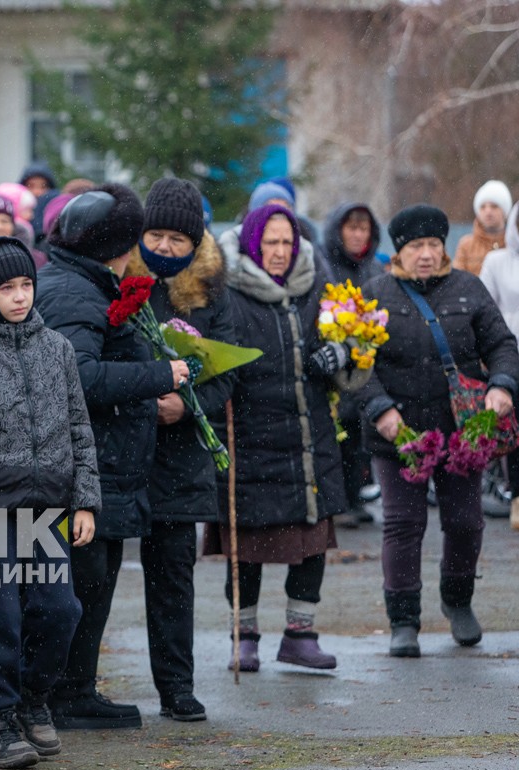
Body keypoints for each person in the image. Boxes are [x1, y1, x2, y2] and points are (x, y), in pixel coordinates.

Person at [0, 236, 99, 769]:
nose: (19, 296)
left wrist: (85, 501)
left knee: (60, 610)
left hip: (48, 510)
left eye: (26, 284)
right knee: (1, 616)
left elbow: (79, 425)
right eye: (7, 287)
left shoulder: (56, 348)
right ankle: (0, 719)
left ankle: (33, 700)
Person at [35, 185, 187, 729]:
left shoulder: (72, 280)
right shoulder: (77, 293)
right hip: (88, 465)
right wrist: (158, 375)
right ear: (117, 247)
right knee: (85, 581)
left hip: (101, 465)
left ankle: (71, 687)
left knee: (89, 579)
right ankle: (66, 692)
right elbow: (76, 375)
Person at [361, 205, 519, 657]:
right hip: (398, 433)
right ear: (399, 252)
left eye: (433, 245)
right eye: (415, 247)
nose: (426, 254)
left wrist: (502, 386)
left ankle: (458, 600)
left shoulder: (468, 289)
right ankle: (404, 619)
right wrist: (380, 410)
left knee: (466, 522)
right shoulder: (375, 294)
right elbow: (358, 363)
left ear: (444, 247)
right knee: (403, 523)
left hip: (462, 431)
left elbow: (502, 345)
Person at [210, 204, 346, 672]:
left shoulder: (315, 289)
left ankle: (300, 635)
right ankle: (243, 636)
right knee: (248, 544)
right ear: (252, 243)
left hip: (309, 437)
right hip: (249, 438)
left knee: (311, 540)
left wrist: (339, 354)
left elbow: (348, 344)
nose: (280, 251)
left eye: (287, 242)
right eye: (270, 242)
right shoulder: (228, 293)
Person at [125, 178, 235, 721]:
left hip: (181, 458)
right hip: (125, 451)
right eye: (156, 235)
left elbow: (227, 374)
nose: (165, 247)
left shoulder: (212, 292)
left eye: (177, 239)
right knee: (93, 577)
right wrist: (148, 397)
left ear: (197, 244)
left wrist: (187, 404)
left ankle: (176, 686)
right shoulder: (120, 283)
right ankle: (71, 687)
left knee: (172, 578)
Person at [323, 203, 386, 527]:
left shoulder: (375, 269)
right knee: (339, 431)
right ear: (339, 231)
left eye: (364, 229)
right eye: (352, 228)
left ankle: (356, 494)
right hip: (334, 359)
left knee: (362, 430)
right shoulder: (326, 265)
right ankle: (338, 500)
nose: (358, 235)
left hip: (366, 361)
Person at [479, 201, 519, 529]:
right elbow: (485, 306)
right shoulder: (498, 261)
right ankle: (517, 494)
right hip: (510, 351)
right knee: (514, 430)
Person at [452, 180, 512, 277]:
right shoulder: (466, 245)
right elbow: (457, 283)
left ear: (505, 211)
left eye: (494, 206)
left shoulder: (513, 245)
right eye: (483, 207)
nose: (488, 211)